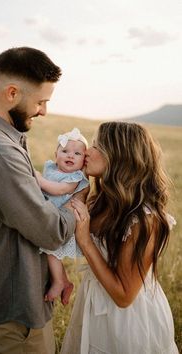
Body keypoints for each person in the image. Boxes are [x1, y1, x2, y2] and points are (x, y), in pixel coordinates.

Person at [0, 46, 84, 354]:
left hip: (22, 297)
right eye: (41, 101)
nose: (44, 111)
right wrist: (77, 202)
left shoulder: (5, 139)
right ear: (12, 92)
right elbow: (49, 230)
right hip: (18, 307)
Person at [61, 122, 179, 354]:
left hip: (128, 321)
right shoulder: (100, 200)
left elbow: (124, 296)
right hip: (93, 304)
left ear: (117, 156)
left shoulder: (144, 219)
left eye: (95, 146)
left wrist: (85, 241)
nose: (87, 151)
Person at [36, 128, 89, 305]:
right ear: (56, 154)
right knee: (50, 252)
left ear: (83, 161)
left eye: (77, 153)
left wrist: (39, 181)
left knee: (51, 250)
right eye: (65, 151)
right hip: (49, 214)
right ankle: (64, 282)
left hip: (63, 220)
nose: (70, 156)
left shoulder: (75, 177)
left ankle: (59, 282)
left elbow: (59, 190)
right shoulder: (51, 168)